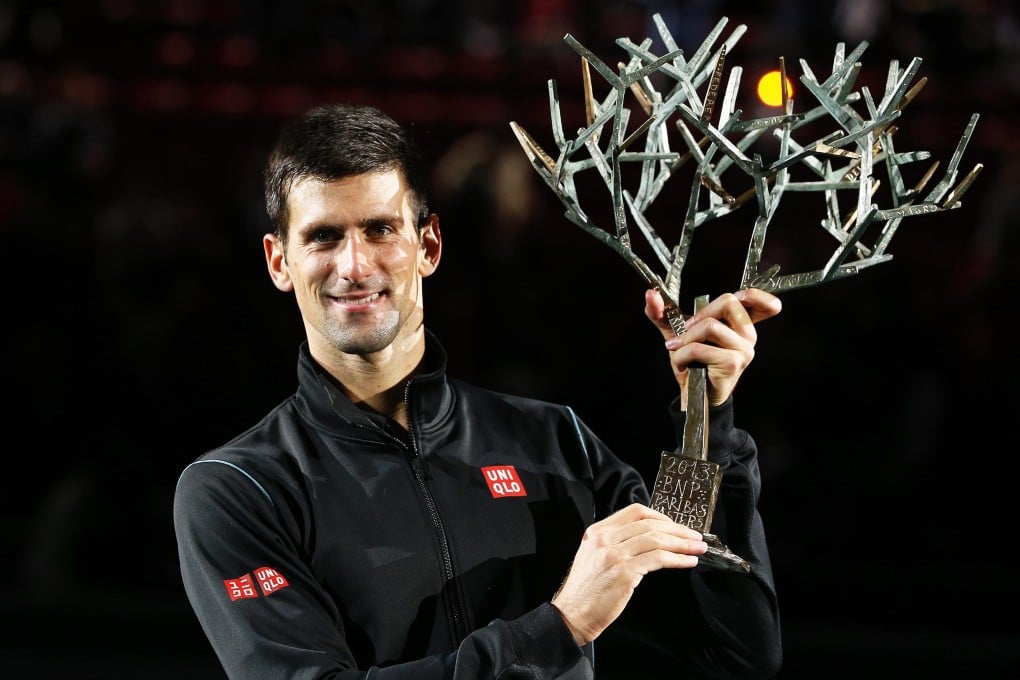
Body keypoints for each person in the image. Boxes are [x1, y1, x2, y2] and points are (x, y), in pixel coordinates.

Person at [172, 103, 784, 679]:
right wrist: (561, 626)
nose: (354, 265)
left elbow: (731, 650)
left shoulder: (553, 441)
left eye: (381, 229)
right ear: (280, 261)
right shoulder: (237, 490)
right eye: (324, 236)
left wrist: (707, 421)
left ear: (428, 245)